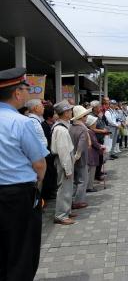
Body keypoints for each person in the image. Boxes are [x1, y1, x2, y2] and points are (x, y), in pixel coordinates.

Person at [0, 67, 48, 280]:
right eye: (26, 89)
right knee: (22, 252)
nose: (29, 94)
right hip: (18, 195)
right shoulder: (21, 123)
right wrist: (38, 187)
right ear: (17, 93)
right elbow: (39, 164)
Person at [51, 100, 76, 225]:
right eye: (69, 110)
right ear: (65, 113)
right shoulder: (61, 130)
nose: (71, 112)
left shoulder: (63, 126)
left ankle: (66, 210)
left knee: (68, 187)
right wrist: (68, 169)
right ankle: (61, 215)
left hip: (64, 159)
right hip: (63, 160)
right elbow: (63, 152)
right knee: (64, 188)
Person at [70, 105, 92, 210]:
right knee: (83, 180)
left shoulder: (71, 127)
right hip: (80, 157)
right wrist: (77, 155)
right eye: (85, 115)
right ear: (82, 117)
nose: (87, 117)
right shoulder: (83, 129)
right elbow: (81, 144)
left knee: (75, 181)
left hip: (71, 157)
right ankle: (78, 201)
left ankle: (72, 199)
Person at [41, 105, 58, 201]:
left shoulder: (51, 125)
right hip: (48, 155)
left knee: (52, 174)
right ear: (49, 117)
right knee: (49, 174)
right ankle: (48, 194)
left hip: (51, 154)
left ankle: (51, 191)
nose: (56, 115)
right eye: (54, 114)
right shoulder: (44, 126)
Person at [89, 100, 108, 180]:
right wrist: (102, 131)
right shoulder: (91, 116)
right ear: (95, 108)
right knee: (97, 158)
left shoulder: (98, 115)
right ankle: (96, 175)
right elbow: (92, 129)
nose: (100, 108)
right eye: (99, 106)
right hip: (95, 140)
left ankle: (98, 172)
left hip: (100, 138)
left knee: (100, 157)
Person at [86, 115, 105, 193]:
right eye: (94, 122)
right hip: (92, 154)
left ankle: (89, 186)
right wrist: (101, 146)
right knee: (91, 170)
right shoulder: (90, 131)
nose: (96, 123)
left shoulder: (89, 131)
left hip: (91, 153)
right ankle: (89, 187)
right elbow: (94, 143)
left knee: (90, 170)